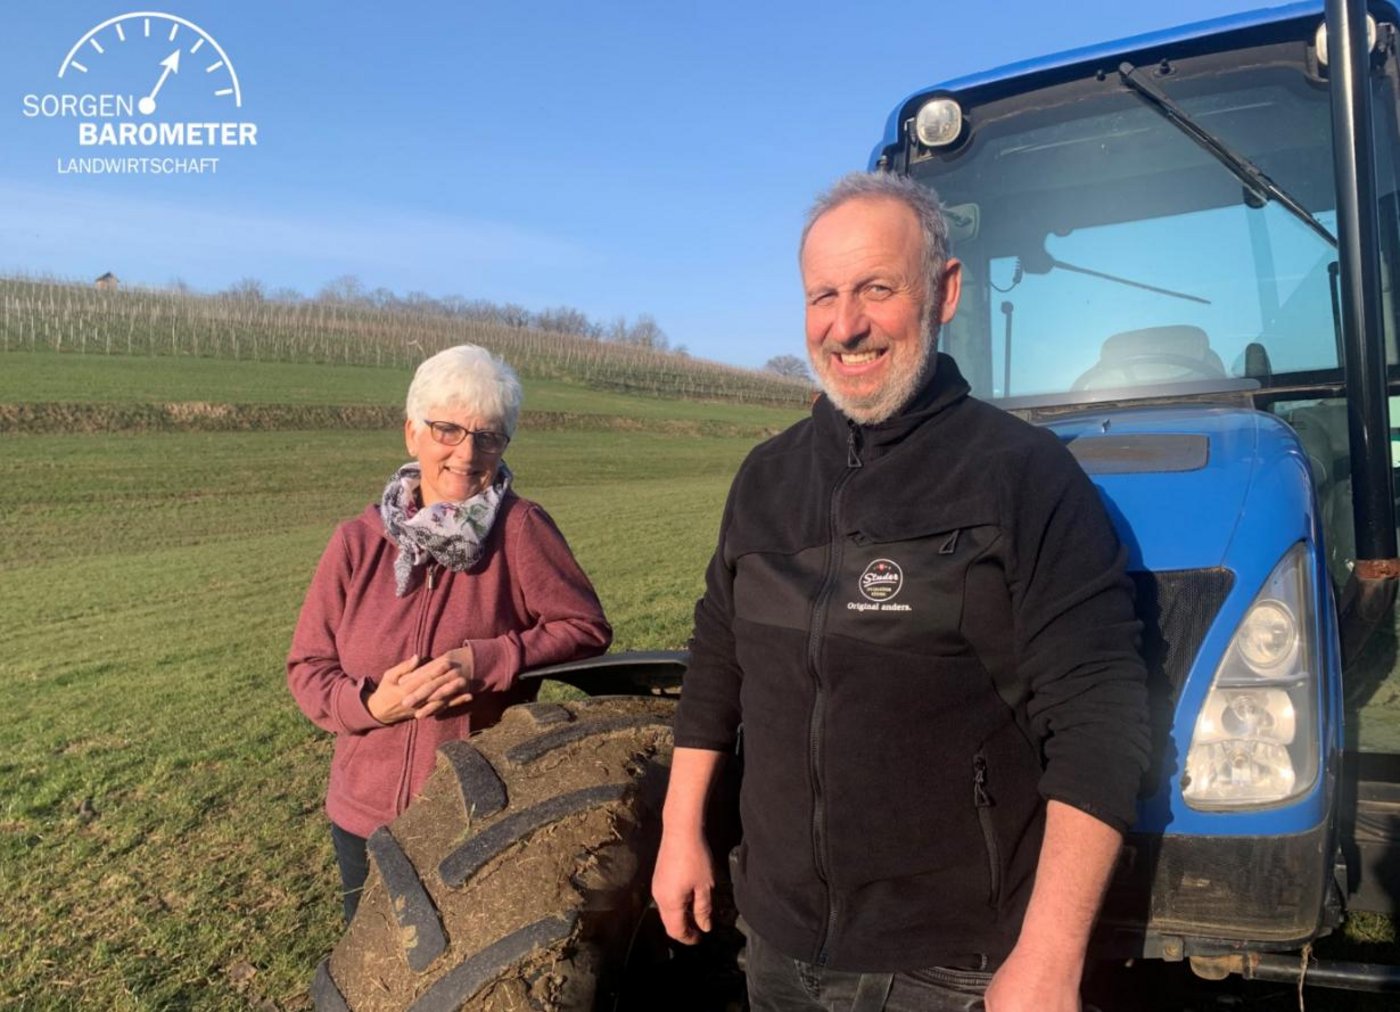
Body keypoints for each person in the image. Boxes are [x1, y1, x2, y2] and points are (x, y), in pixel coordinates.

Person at [652, 173, 1150, 1012]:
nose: (846, 325)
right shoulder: (766, 479)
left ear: (944, 291)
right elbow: (716, 659)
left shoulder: (1022, 476)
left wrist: (1052, 955)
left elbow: (1100, 717)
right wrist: (679, 833)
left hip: (949, 964)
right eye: (823, 296)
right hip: (777, 940)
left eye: (877, 290)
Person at [288, 344, 611, 921]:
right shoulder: (356, 543)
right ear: (412, 433)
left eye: (488, 436)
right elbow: (308, 667)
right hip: (362, 816)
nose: (467, 453)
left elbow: (585, 629)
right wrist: (371, 705)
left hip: (472, 815)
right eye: (448, 430)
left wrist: (485, 662)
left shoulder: (520, 530)